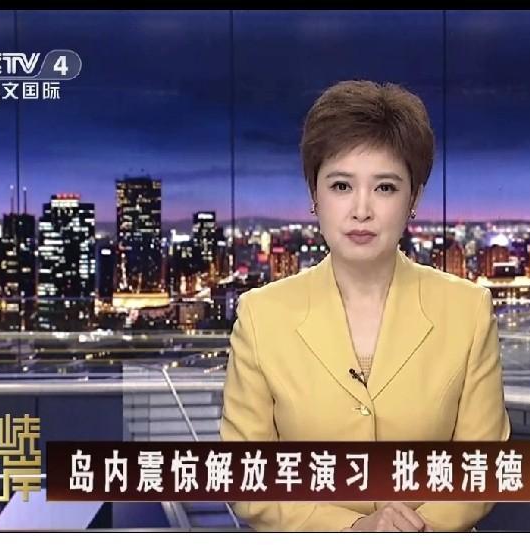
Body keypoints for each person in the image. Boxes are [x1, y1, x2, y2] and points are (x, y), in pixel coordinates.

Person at [219, 79, 511, 532]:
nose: (361, 210)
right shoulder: (262, 316)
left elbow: (484, 465)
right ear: (314, 195)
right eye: (341, 185)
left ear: (413, 198)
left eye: (385, 188)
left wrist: (407, 531)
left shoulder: (466, 310)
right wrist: (354, 530)